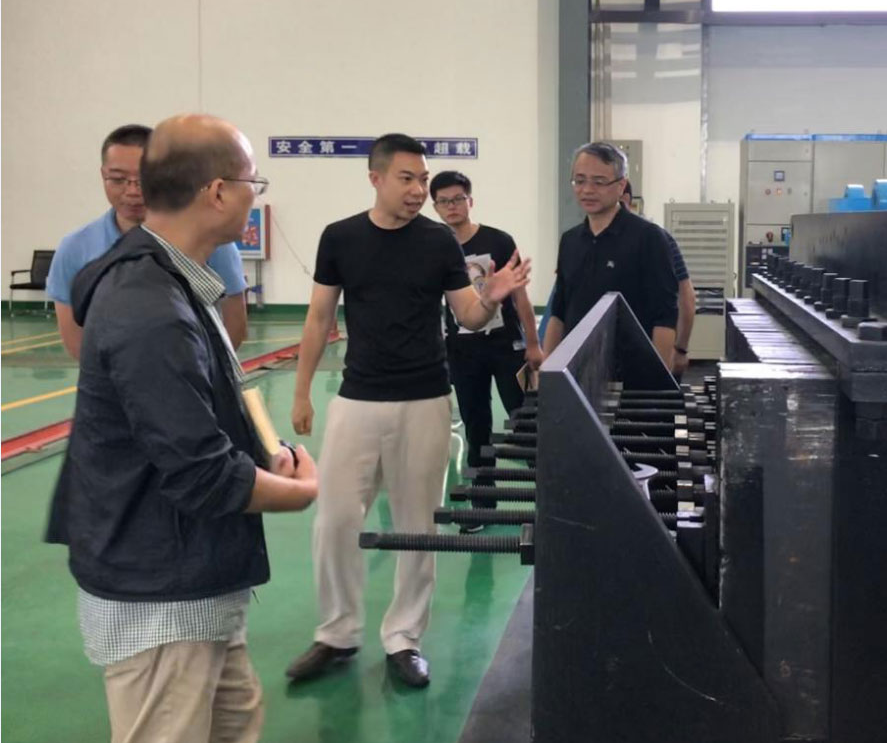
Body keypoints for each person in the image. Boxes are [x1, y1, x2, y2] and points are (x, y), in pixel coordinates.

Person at [45, 113, 319, 743]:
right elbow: (201, 474)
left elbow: (198, 414)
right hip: (160, 593)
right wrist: (298, 493)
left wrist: (264, 453)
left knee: (233, 722)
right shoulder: (150, 307)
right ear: (218, 192)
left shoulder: (174, 281)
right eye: (253, 182)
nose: (255, 195)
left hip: (193, 576)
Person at [286, 134, 531, 689]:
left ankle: (404, 637)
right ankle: (337, 632)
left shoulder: (438, 241)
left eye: (422, 179)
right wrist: (301, 392)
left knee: (417, 524)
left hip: (425, 399)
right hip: (357, 398)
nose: (419, 189)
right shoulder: (340, 237)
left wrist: (492, 294)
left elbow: (467, 316)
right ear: (375, 178)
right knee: (335, 519)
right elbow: (319, 317)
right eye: (407, 179)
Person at [47, 124, 249, 359]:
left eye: (143, 179)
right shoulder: (75, 249)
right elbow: (76, 341)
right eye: (118, 179)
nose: (132, 191)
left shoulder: (210, 240)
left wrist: (196, 370)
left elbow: (234, 325)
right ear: (103, 175)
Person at [429, 170, 542, 530]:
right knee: (476, 426)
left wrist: (533, 343)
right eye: (444, 201)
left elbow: (520, 296)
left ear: (470, 201)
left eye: (458, 199)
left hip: (506, 346)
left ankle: (549, 498)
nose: (452, 206)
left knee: (525, 421)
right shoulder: (435, 247)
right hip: (463, 351)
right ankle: (482, 504)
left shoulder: (499, 240)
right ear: (435, 207)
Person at [542, 142, 679, 373]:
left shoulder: (649, 238)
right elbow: (559, 313)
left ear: (621, 185)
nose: (587, 190)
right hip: (578, 371)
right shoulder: (570, 240)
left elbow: (665, 316)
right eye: (580, 181)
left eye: (599, 182)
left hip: (633, 373)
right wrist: (548, 370)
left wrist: (659, 379)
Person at [620, 181, 697, 379]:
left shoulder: (655, 239)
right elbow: (687, 298)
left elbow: (686, 298)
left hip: (642, 362)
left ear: (624, 197)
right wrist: (680, 350)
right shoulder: (578, 240)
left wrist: (679, 350)